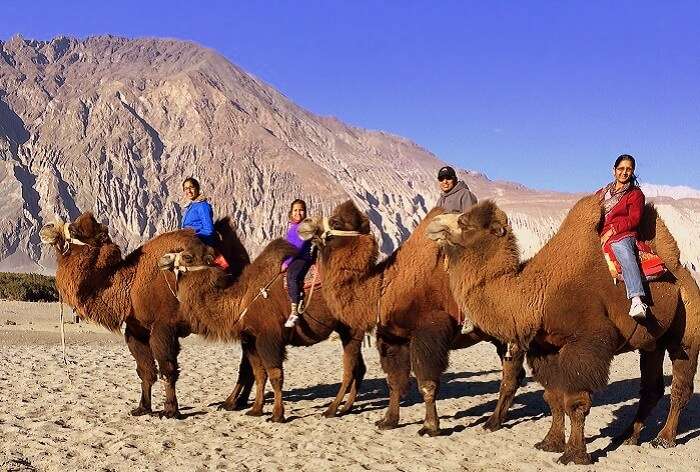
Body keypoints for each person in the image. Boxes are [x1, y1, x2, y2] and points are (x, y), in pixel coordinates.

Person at [598, 154, 648, 320]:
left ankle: (636, 299)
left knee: (622, 249)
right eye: (621, 169)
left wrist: (612, 231)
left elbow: (634, 219)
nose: (624, 172)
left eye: (628, 169)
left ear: (632, 172)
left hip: (623, 234)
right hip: (600, 235)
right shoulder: (601, 193)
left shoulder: (635, 194)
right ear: (614, 171)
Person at [435, 165, 478, 334]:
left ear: (454, 179)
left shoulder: (465, 195)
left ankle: (470, 315)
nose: (445, 181)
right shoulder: (441, 200)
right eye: (441, 179)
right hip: (444, 244)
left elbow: (471, 221)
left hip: (461, 246)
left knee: (461, 276)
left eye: (448, 178)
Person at [283, 199, 316, 328]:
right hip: (293, 257)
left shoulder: (305, 226)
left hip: (301, 258)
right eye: (295, 210)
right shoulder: (292, 228)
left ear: (305, 212)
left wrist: (286, 263)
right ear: (291, 212)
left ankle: (294, 311)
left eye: (301, 210)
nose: (298, 213)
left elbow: (297, 248)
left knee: (292, 276)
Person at [181, 177, 217, 246]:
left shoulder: (202, 206)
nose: (189, 191)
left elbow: (208, 230)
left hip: (199, 244)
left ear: (197, 188)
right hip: (188, 242)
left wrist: (192, 237)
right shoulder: (191, 206)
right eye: (186, 188)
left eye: (191, 187)